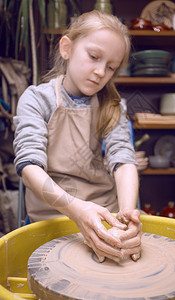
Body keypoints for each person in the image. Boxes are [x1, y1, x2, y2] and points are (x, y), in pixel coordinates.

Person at [13, 10, 142, 263]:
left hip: (107, 212)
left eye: (110, 67)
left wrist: (126, 216)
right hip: (53, 212)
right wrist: (77, 210)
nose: (100, 72)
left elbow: (124, 161)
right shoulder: (37, 99)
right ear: (67, 48)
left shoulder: (112, 105)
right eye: (94, 57)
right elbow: (29, 168)